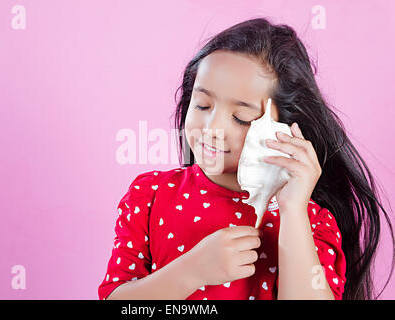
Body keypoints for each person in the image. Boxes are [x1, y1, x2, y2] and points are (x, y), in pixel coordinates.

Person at [98, 17, 394, 300]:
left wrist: (293, 212)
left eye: (240, 118)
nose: (213, 128)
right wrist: (191, 271)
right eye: (202, 105)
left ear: (286, 127)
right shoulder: (149, 195)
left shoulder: (309, 221)